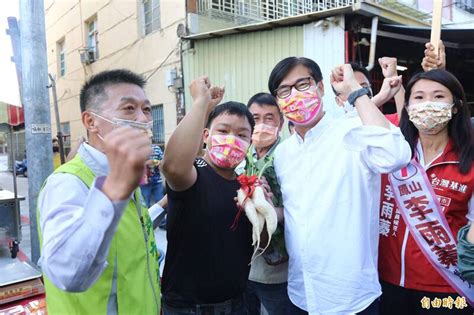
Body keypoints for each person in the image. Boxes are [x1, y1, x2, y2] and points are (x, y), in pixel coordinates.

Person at [269, 57, 411, 314]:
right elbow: (297, 213)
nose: (294, 95)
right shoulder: (283, 154)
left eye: (303, 84)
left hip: (351, 297)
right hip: (302, 294)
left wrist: (356, 92)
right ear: (278, 100)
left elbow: (396, 154)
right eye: (284, 90)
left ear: (320, 88)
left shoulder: (353, 131)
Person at [37, 69, 161, 315]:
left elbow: (131, 234)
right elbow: (67, 273)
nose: (143, 120)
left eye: (146, 110)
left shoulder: (124, 174)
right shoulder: (66, 183)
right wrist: (113, 189)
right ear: (90, 121)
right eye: (129, 109)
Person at [378, 69, 474, 315]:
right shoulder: (391, 154)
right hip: (387, 281)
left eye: (439, 96)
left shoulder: (469, 162)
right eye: (419, 97)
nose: (428, 104)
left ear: (455, 107)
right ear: (407, 107)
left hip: (448, 288)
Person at [161, 77, 255, 315]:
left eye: (242, 135)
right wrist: (201, 103)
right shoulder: (194, 173)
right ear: (205, 135)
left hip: (237, 304)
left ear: (250, 143)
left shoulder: (246, 186)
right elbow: (172, 165)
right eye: (223, 131)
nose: (232, 139)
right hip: (189, 308)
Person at [242, 92, 290, 315]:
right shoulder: (240, 156)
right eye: (255, 118)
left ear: (280, 122)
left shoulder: (289, 157)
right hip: (241, 266)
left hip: (276, 269)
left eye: (269, 118)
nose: (261, 125)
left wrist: (273, 208)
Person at [333, 59, 404, 123]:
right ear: (338, 101)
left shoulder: (386, 122)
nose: (361, 91)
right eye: (352, 88)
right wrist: (381, 97)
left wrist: (392, 76)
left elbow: (406, 121)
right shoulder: (336, 128)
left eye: (364, 86)